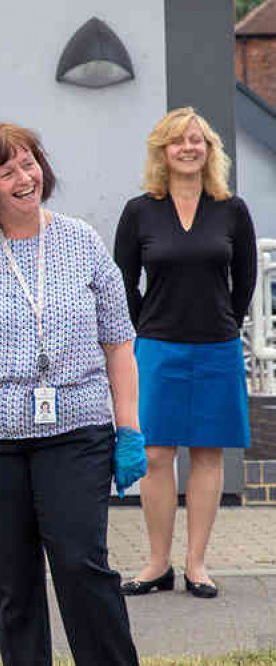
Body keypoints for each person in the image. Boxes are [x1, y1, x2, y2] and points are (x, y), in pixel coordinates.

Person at [0, 122, 144, 665]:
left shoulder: (81, 240)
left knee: (81, 564)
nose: (25, 177)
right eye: (7, 170)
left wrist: (129, 429)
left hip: (74, 432)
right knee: (12, 584)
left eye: (29, 162)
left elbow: (118, 344)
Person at [114, 108, 256, 600]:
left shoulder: (231, 209)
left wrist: (225, 323)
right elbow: (121, 280)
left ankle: (197, 564)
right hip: (156, 346)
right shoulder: (140, 210)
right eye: (178, 141)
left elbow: (246, 279)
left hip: (216, 346)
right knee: (155, 454)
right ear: (163, 152)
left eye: (197, 140)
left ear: (210, 150)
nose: (189, 148)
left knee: (207, 453)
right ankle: (157, 563)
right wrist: (142, 327)